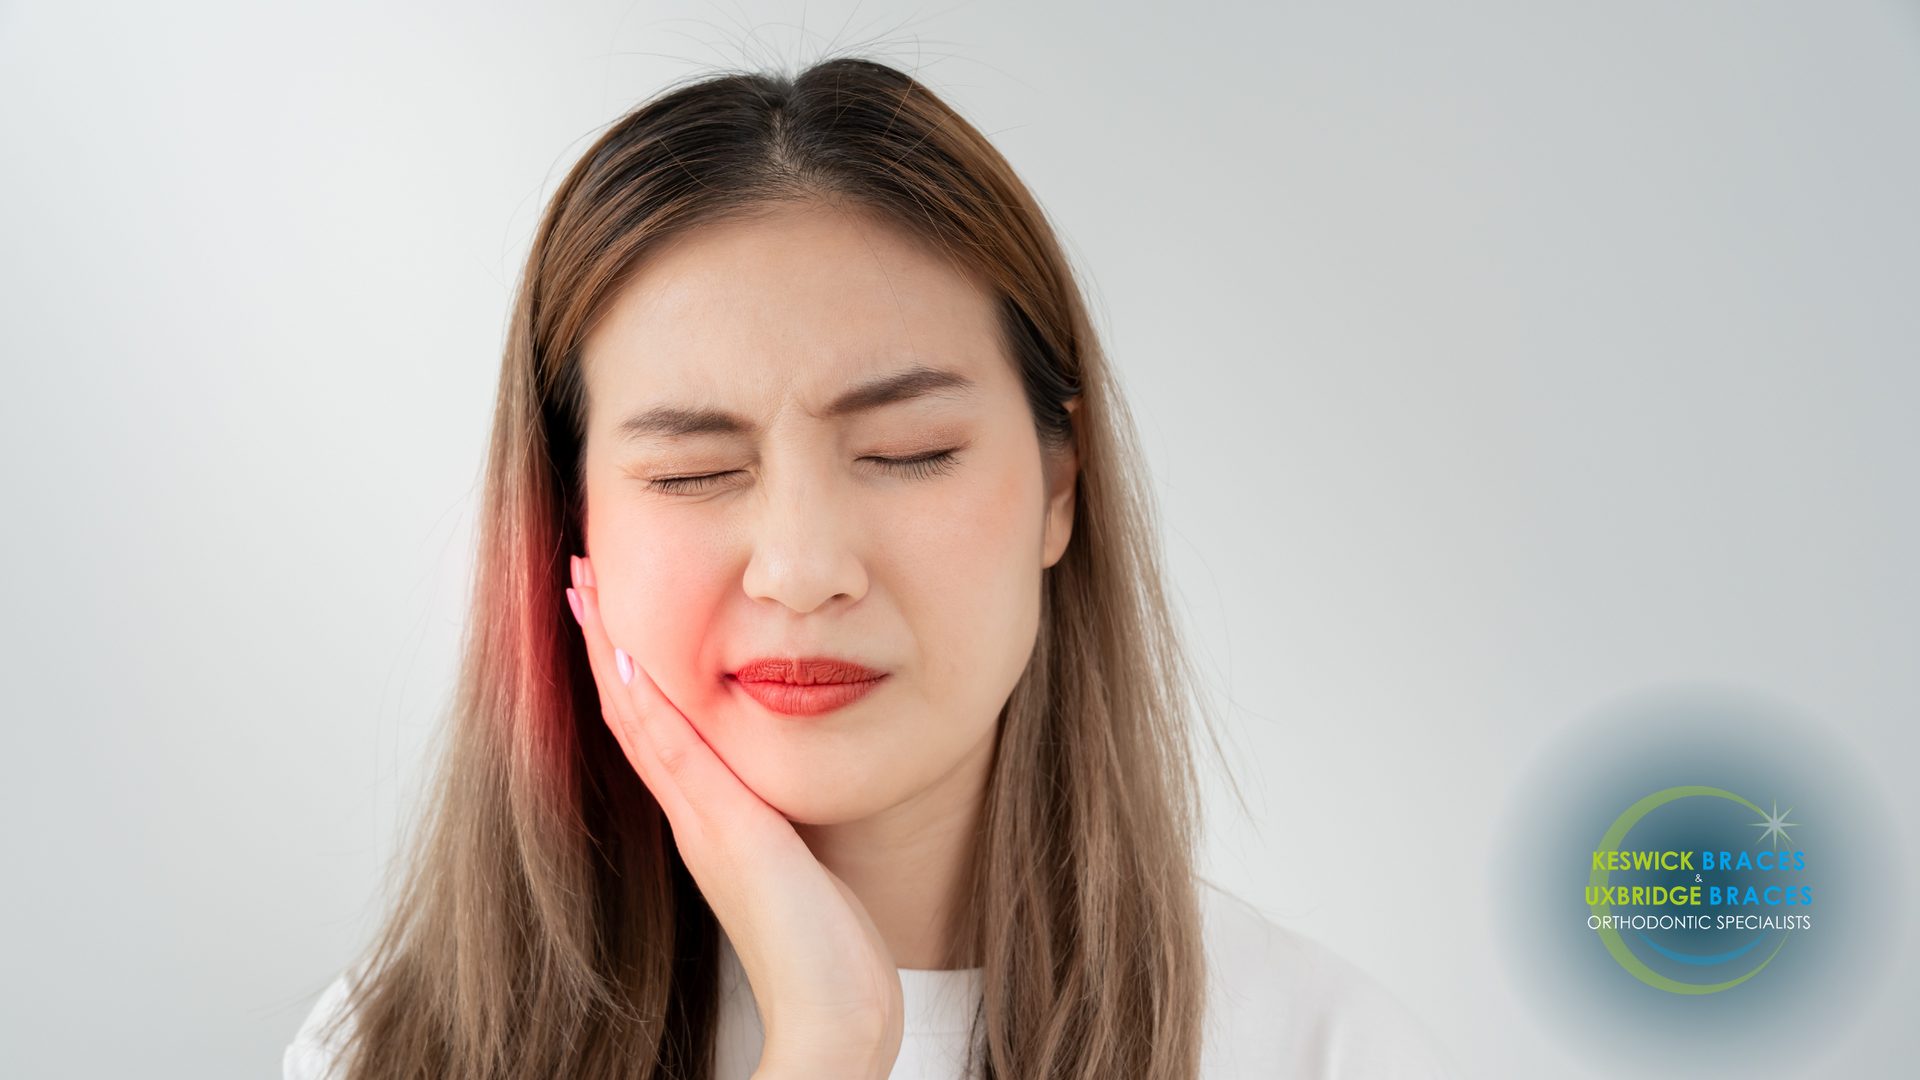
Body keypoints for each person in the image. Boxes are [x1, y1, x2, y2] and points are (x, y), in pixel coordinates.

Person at [285, 57, 1452, 1080]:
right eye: (692, 472)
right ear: (570, 524)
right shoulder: (386, 1052)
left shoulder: (1326, 1051)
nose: (802, 570)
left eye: (907, 454)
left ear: (1060, 487)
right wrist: (827, 1045)